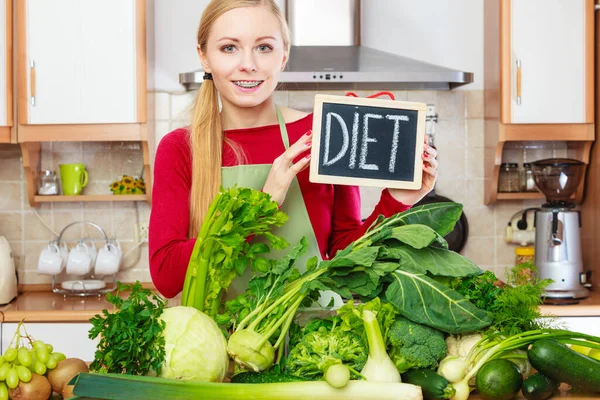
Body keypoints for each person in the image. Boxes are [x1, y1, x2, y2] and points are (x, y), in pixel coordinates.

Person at [149, 0, 439, 299]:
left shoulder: (323, 133)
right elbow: (167, 276)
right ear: (204, 57)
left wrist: (395, 202)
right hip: (220, 339)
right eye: (229, 48)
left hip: (315, 335)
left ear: (283, 56)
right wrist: (262, 206)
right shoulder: (181, 148)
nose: (248, 64)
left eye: (263, 47)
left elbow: (347, 258)